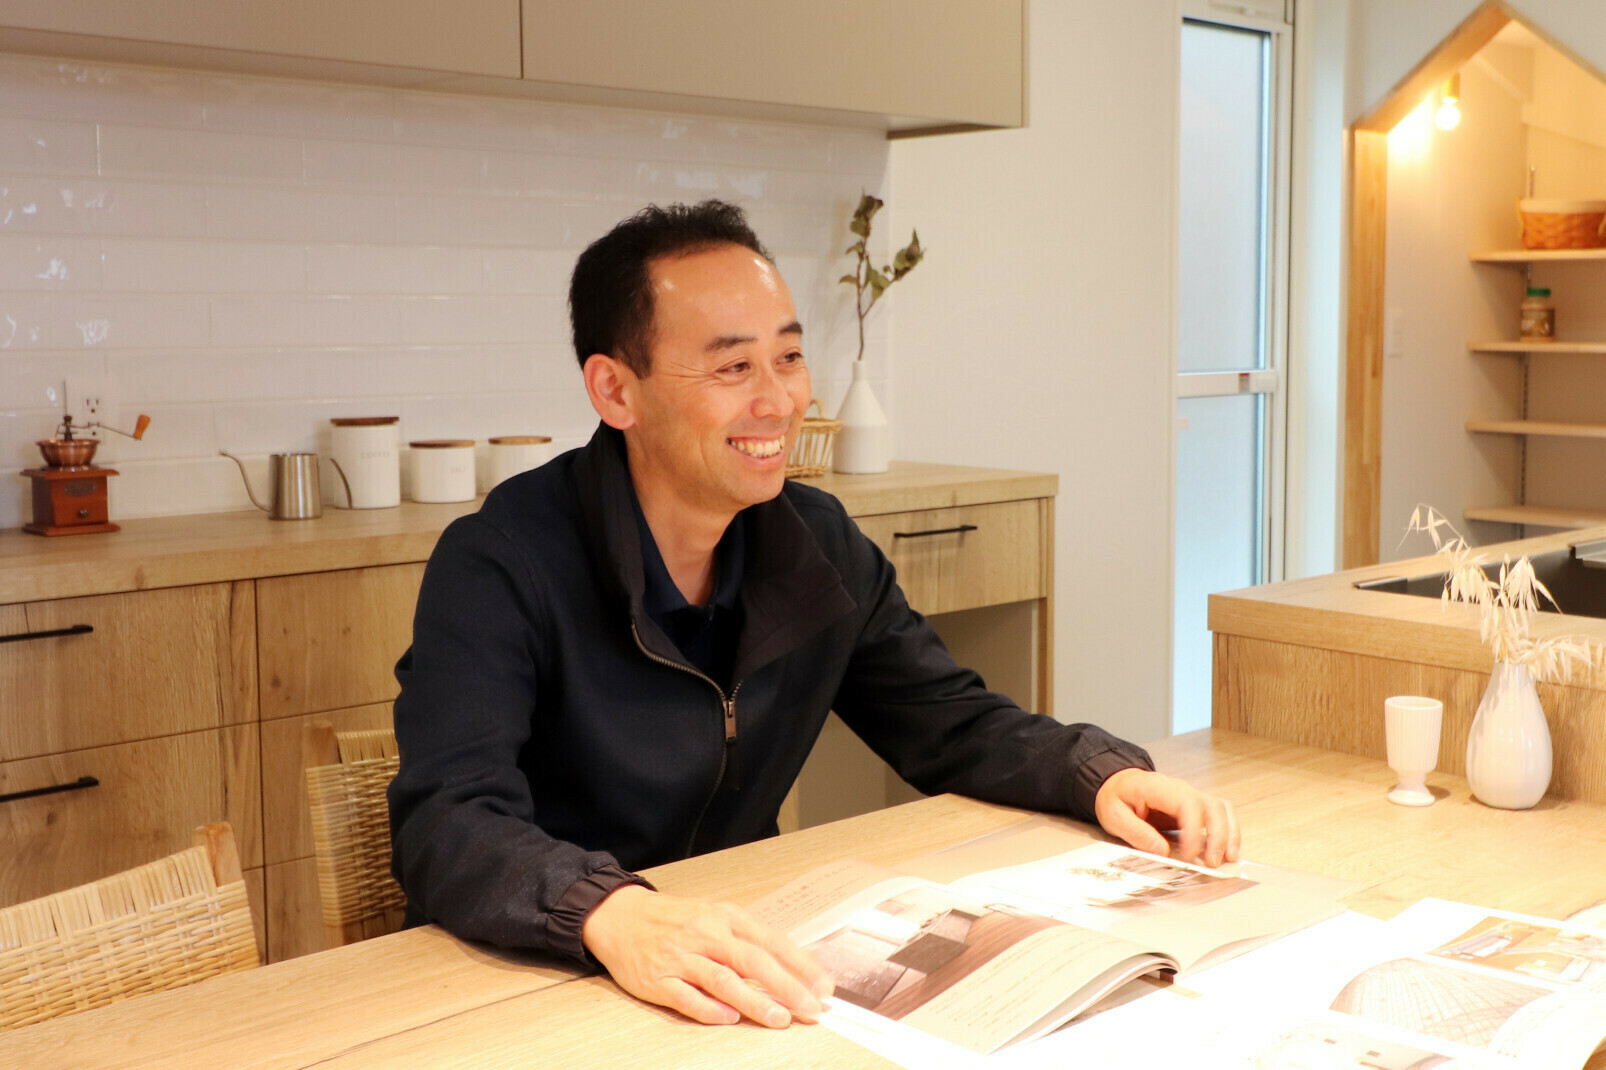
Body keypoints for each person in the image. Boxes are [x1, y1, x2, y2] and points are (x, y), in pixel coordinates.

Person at [387, 199, 1240, 1033]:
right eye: (732, 368)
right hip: (547, 972)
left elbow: (948, 721)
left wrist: (1097, 773)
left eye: (789, 358)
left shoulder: (813, 541)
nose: (779, 401)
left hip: (742, 959)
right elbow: (446, 820)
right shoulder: (502, 561)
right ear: (616, 391)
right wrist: (608, 911)